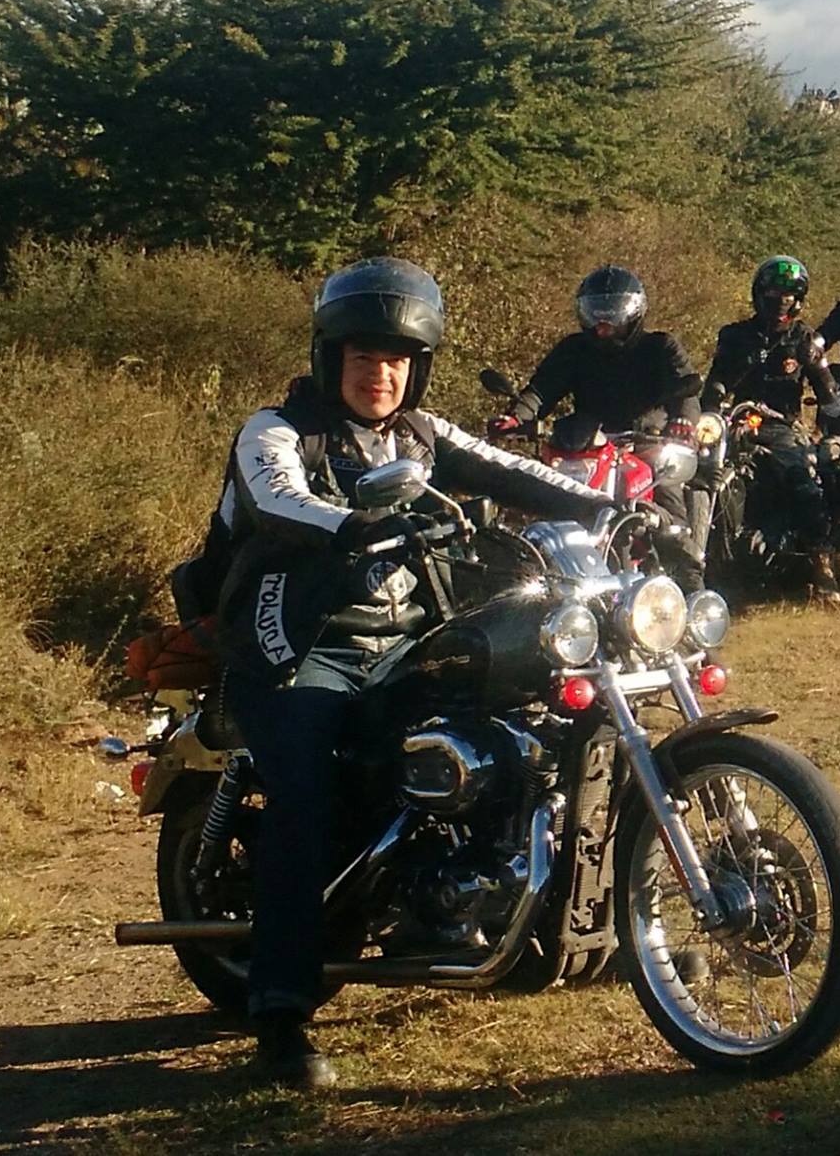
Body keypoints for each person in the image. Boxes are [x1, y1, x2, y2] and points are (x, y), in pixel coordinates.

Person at [213, 257, 617, 1089]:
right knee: (306, 795)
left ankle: (542, 920)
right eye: (365, 355)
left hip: (402, 645)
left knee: (523, 729)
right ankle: (282, 1011)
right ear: (332, 357)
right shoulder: (278, 428)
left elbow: (509, 470)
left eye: (398, 358)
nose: (382, 372)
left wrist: (602, 502)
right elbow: (276, 497)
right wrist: (346, 523)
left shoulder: (423, 435)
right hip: (296, 648)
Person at [489, 264, 707, 590]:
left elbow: (686, 389)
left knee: (670, 514)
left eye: (612, 315)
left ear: (634, 312)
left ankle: (694, 596)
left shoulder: (660, 347)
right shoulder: (574, 349)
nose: (603, 324)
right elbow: (540, 390)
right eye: (596, 314)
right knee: (537, 506)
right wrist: (517, 418)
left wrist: (682, 423)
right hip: (586, 447)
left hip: (648, 444)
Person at [699, 255, 840, 599]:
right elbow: (715, 382)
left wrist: (836, 418)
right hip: (736, 425)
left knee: (803, 483)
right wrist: (710, 403)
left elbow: (827, 390)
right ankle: (693, 563)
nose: (780, 301)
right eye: (774, 293)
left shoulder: (804, 339)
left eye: (789, 294)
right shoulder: (735, 336)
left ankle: (822, 564)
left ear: (799, 299)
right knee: (699, 478)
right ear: (759, 294)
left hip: (783, 427)